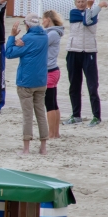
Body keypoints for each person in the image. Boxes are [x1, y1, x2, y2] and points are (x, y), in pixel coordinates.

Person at [5, 13, 49, 155]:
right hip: (41, 80)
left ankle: (26, 149)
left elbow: (9, 53)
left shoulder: (28, 38)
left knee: (28, 115)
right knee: (41, 113)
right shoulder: (45, 37)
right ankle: (43, 147)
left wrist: (12, 37)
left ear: (28, 25)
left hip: (26, 81)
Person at [65, 0, 108, 127]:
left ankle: (96, 116)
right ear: (75, 3)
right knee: (74, 85)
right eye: (78, 2)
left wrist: (93, 8)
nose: (81, 4)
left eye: (83, 2)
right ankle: (76, 115)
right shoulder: (73, 13)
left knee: (92, 85)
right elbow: (86, 20)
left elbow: (88, 21)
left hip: (89, 52)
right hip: (74, 51)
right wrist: (97, 7)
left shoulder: (93, 13)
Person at [42, 10, 65, 139]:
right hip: (53, 70)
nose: (42, 22)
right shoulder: (53, 33)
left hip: (50, 71)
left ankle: (52, 133)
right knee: (53, 102)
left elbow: (40, 43)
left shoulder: (52, 34)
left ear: (48, 19)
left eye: (43, 19)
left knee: (49, 103)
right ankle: (55, 133)